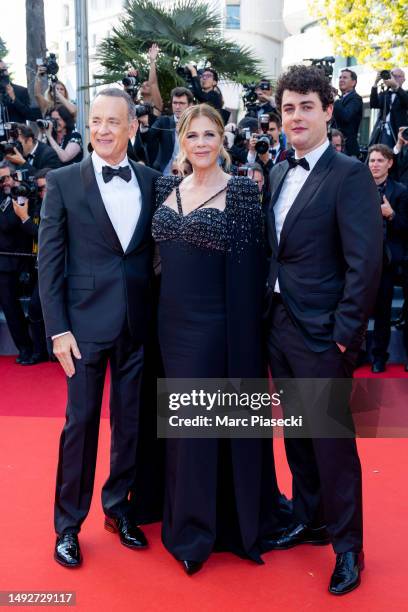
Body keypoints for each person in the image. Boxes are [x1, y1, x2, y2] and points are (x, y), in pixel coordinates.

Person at [152, 103, 291, 576]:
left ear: (223, 140)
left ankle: (196, 532)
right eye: (194, 136)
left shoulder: (241, 193)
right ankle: (188, 514)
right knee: (182, 427)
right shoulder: (167, 187)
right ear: (183, 141)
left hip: (214, 326)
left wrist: (243, 340)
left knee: (198, 427)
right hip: (169, 325)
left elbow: (251, 275)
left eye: (211, 135)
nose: (202, 143)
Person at [263, 65, 382, 595]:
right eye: (289, 107)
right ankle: (310, 519)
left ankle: (348, 547)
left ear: (328, 112)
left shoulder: (349, 173)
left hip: (323, 334)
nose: (296, 116)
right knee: (298, 438)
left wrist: (344, 334)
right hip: (281, 326)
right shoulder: (279, 173)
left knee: (333, 444)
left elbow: (365, 262)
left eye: (307, 106)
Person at [38, 88, 160, 568]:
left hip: (136, 323)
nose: (103, 130)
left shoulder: (152, 181)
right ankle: (68, 525)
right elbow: (50, 263)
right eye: (96, 122)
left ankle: (118, 508)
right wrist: (57, 329)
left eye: (114, 122)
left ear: (133, 127)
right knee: (80, 425)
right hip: (83, 328)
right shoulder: (64, 181)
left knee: (129, 424)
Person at [367, 144, 408, 372]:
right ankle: (358, 353)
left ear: (390, 164)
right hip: (361, 258)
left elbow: (405, 227)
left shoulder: (400, 191)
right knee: (358, 310)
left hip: (387, 259)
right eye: (372, 160)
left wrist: (391, 215)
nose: (374, 165)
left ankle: (379, 357)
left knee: (382, 310)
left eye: (379, 161)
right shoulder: (358, 188)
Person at [12, 168, 51, 364]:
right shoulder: (38, 204)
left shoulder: (57, 207)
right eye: (39, 189)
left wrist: (24, 218)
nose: (41, 192)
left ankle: (40, 352)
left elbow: (45, 236)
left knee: (36, 309)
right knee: (37, 311)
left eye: (43, 188)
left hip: (54, 267)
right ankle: (44, 352)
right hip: (37, 265)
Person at [0, 161, 33, 363]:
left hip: (10, 263)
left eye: (7, 177)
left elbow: (8, 224)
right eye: (1, 179)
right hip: (4, 259)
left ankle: (26, 348)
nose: (5, 182)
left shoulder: (20, 194)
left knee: (11, 308)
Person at [144, 87, 194, 174]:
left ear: (190, 105)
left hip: (189, 174)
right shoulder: (163, 121)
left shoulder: (196, 124)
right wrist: (144, 126)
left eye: (181, 103)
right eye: (175, 103)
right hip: (164, 172)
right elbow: (149, 137)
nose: (177, 107)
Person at [369, 68, 408, 147]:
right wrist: (375, 83)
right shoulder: (385, 93)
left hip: (397, 131)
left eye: (398, 76)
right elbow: (373, 104)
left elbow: (406, 102)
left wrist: (396, 87)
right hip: (381, 131)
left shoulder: (405, 94)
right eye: (393, 76)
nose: (395, 78)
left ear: (404, 79)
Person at [332, 69, 363, 157]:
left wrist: (334, 99)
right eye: (340, 77)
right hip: (335, 146)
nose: (341, 80)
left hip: (347, 149)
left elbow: (346, 116)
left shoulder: (356, 99)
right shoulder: (339, 99)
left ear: (353, 82)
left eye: (345, 77)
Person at [0, 59, 37, 124]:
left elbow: (30, 115)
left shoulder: (21, 91)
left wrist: (14, 98)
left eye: (4, 69)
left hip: (17, 132)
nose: (2, 73)